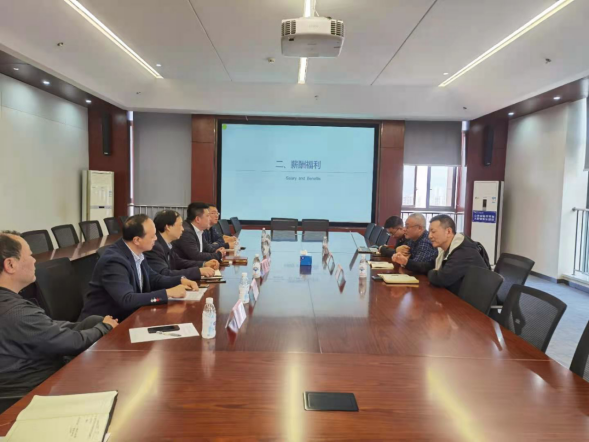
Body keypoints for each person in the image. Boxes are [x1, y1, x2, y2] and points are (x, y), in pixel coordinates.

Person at [0, 231, 117, 398]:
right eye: (30, 255)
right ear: (10, 265)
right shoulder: (16, 312)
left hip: (33, 375)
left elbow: (44, 328)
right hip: (35, 390)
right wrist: (104, 327)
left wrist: (87, 325)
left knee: (92, 321)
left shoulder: (11, 305)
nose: (34, 260)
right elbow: (72, 344)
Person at [80, 215, 197, 321]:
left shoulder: (137, 252)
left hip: (128, 317)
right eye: (152, 236)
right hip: (103, 324)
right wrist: (167, 293)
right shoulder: (114, 261)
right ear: (137, 240)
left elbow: (153, 278)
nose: (156, 239)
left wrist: (180, 280)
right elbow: (127, 300)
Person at [145, 210, 219, 280]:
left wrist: (203, 264)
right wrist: (198, 271)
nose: (183, 229)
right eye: (180, 225)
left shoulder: (167, 243)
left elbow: (179, 262)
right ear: (168, 227)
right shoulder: (154, 246)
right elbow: (164, 273)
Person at [426, 214, 488, 295]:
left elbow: (442, 279)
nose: (429, 236)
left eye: (433, 231)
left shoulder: (463, 252)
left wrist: (431, 273)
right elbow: (430, 266)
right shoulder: (445, 250)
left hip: (473, 300)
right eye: (429, 232)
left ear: (448, 231)